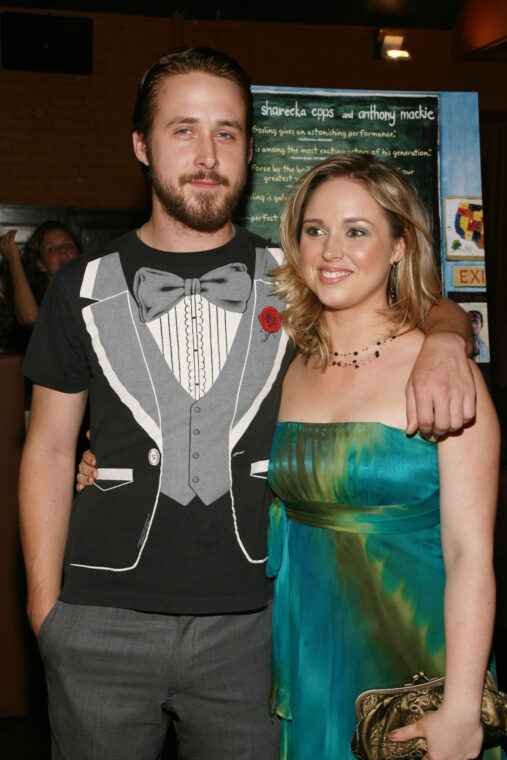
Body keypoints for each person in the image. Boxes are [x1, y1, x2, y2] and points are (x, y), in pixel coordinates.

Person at [20, 47, 475, 760]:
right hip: (98, 620)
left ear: (249, 150)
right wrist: (45, 611)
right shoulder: (80, 285)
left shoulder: (296, 279)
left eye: (226, 133)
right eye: (183, 130)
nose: (207, 155)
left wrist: (450, 337)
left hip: (256, 625)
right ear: (141, 145)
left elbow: (399, 300)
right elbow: (48, 448)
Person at [266, 154, 500, 760]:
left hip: (416, 664)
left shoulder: (442, 371)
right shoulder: (289, 367)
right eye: (314, 230)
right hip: (312, 658)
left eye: (357, 230)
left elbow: (470, 553)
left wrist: (461, 710)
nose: (330, 250)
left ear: (399, 245)